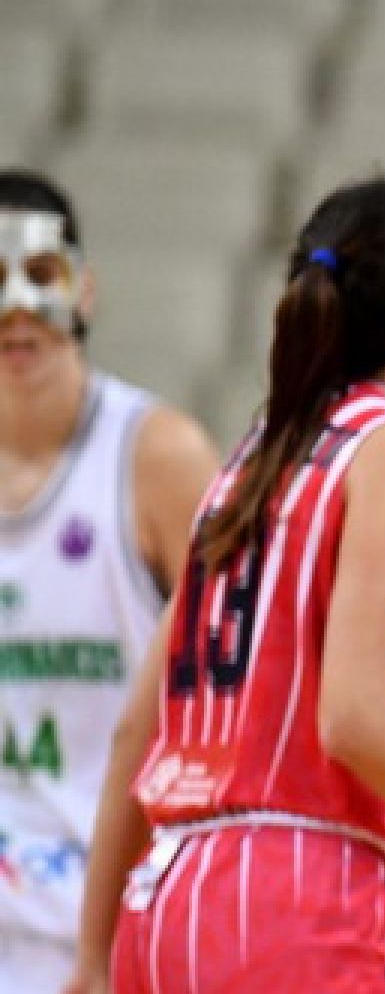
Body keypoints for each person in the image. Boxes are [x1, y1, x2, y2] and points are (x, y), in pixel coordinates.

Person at [62, 175, 385, 993]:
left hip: (160, 896)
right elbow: (355, 718)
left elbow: (138, 729)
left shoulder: (252, 463)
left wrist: (93, 958)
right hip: (285, 897)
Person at [0, 171, 219, 992]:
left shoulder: (158, 459)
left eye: (40, 276)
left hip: (113, 936)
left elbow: (235, 691)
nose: (17, 311)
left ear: (84, 290)